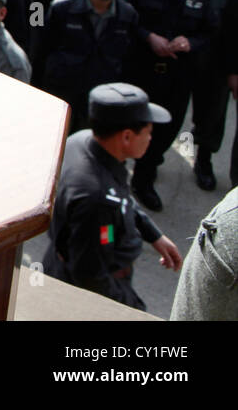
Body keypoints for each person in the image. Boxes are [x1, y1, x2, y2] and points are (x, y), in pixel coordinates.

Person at [41, 84, 182, 311]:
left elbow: (120, 194)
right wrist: (128, 308)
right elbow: (89, 277)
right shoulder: (97, 201)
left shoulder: (83, 141)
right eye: (148, 132)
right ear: (126, 137)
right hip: (86, 295)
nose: (150, 139)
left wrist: (152, 234)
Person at [125, 0, 217, 212]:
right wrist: (148, 37)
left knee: (166, 128)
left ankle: (144, 177)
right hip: (140, 68)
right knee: (128, 124)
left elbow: (210, 32)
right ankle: (117, 179)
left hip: (178, 74)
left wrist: (190, 42)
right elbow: (126, 17)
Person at [33, 0, 137, 131]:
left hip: (101, 96)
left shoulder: (127, 15)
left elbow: (128, 59)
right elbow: (41, 52)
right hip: (62, 92)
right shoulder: (62, 8)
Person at [189, 0, 238, 192]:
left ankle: (203, 159)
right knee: (171, 107)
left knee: (212, 114)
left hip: (220, 55)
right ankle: (149, 160)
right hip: (184, 50)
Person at [170, 186, 238, 320]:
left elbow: (133, 213)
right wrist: (116, 259)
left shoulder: (119, 179)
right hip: (120, 265)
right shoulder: (115, 189)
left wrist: (153, 235)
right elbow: (115, 227)